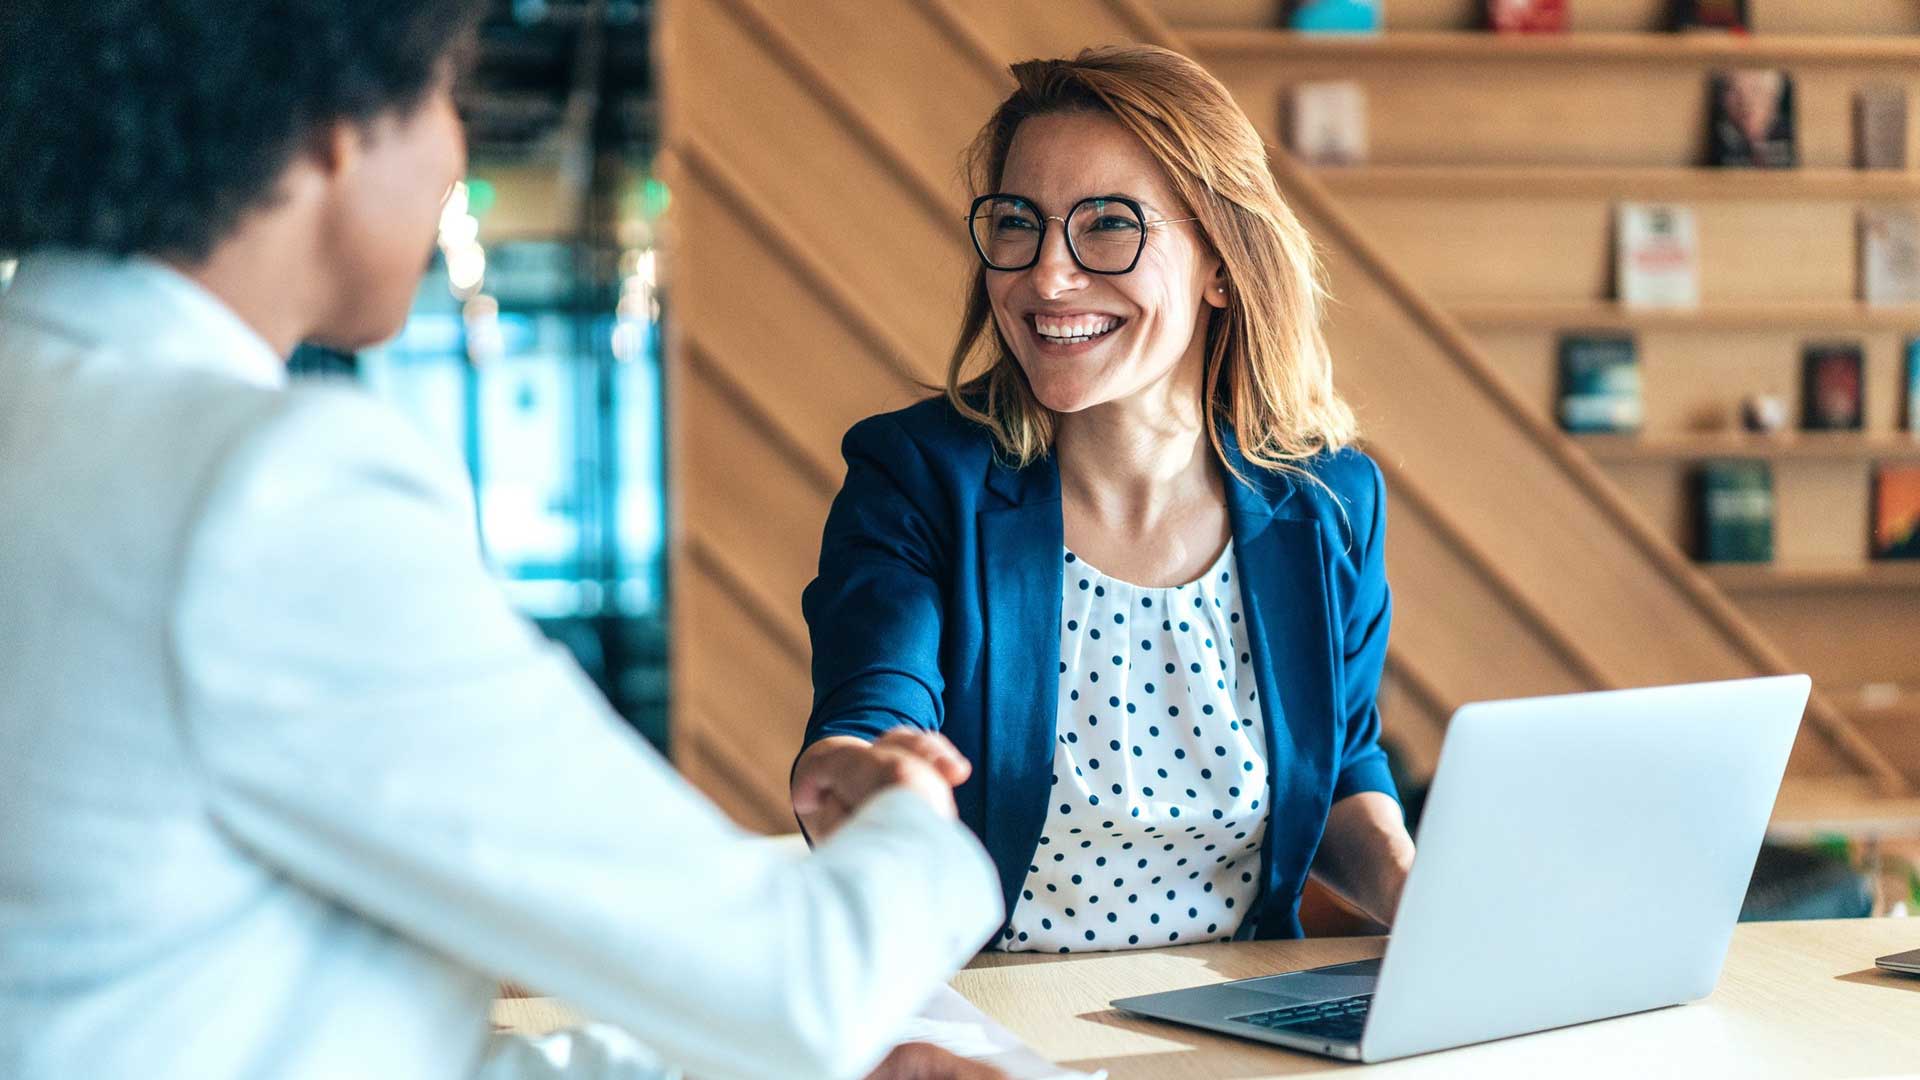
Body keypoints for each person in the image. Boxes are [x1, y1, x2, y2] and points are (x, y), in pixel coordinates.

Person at [0, 4, 1004, 1078]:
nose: (456, 150)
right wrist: (914, 824)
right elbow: (803, 988)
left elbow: (237, 1005)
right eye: (445, 95)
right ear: (332, 130)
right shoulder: (264, 490)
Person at [791, 45, 1416, 953]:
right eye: (1018, 223)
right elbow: (871, 709)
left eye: (1110, 226)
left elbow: (1344, 761)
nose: (1047, 277)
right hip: (988, 1016)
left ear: (1221, 264)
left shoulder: (1330, 501)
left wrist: (1414, 888)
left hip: (1238, 1018)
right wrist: (861, 776)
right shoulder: (917, 475)